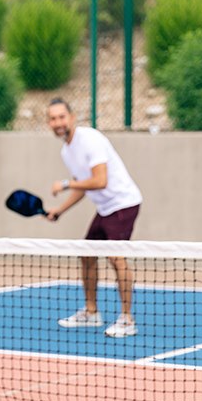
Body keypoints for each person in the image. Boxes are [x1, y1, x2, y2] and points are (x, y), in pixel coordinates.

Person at [44, 98, 141, 338]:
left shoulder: (90, 140)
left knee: (116, 257)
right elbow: (85, 186)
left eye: (61, 117)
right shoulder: (66, 151)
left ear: (72, 117)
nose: (57, 122)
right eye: (53, 118)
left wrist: (65, 183)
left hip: (123, 203)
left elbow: (100, 180)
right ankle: (91, 312)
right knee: (87, 254)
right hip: (105, 207)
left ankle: (127, 319)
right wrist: (60, 209)